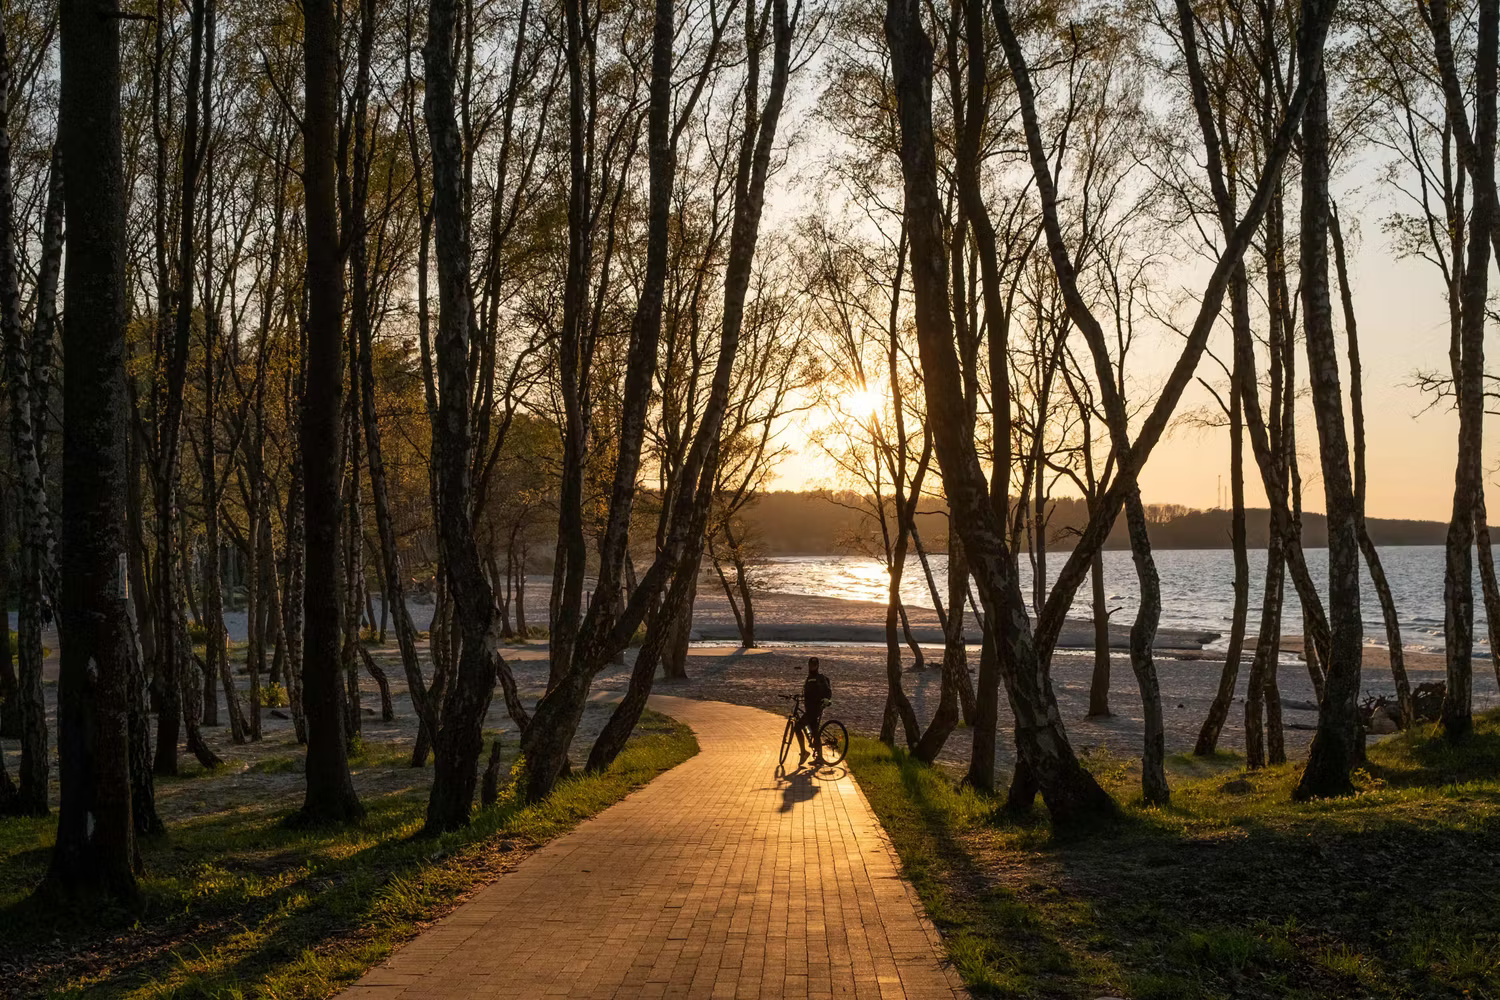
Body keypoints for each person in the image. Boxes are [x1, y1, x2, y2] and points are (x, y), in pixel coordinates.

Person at [798, 657, 832, 764]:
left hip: (815, 709)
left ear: (817, 666)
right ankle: (819, 757)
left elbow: (825, 692)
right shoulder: (809, 678)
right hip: (810, 708)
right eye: (810, 665)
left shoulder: (819, 678)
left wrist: (823, 701)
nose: (811, 667)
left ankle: (804, 752)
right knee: (815, 731)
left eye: (814, 665)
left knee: (797, 727)